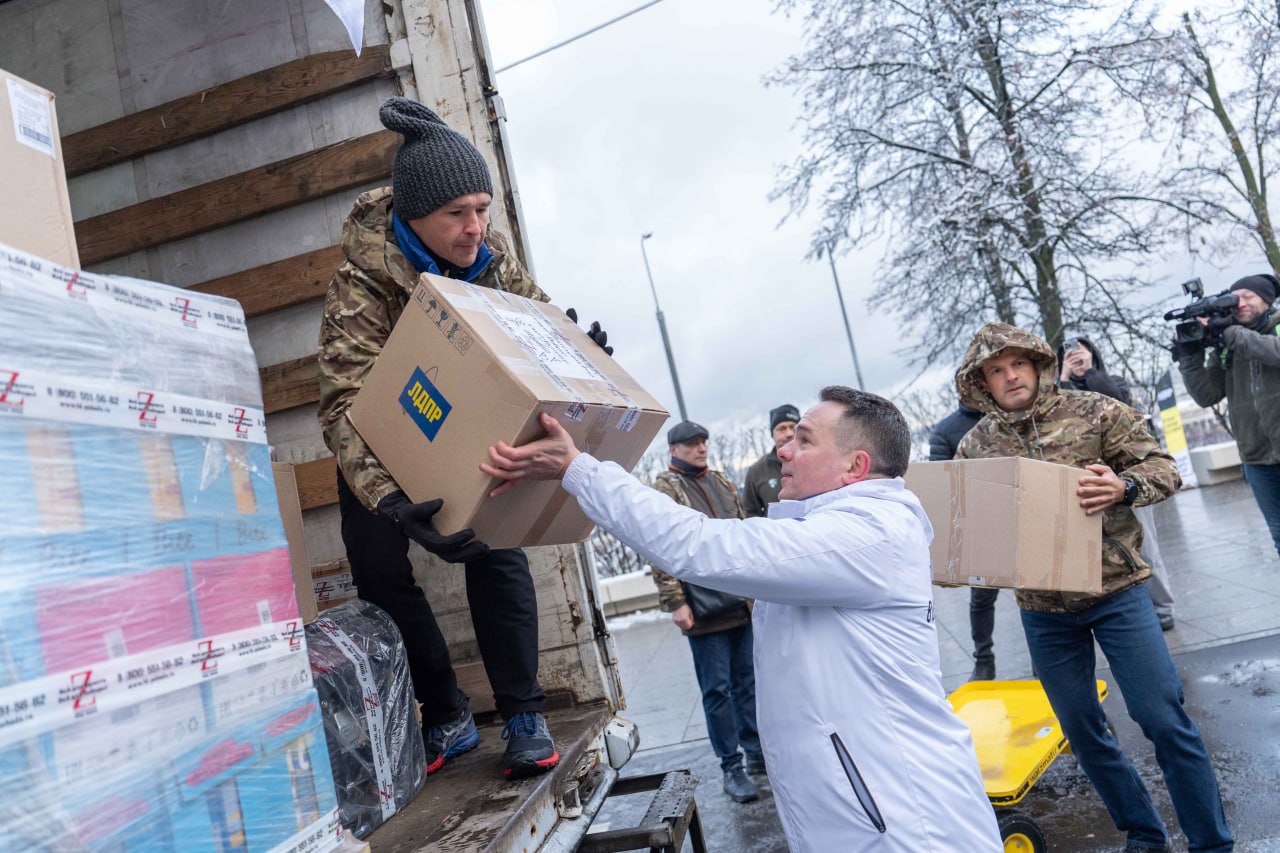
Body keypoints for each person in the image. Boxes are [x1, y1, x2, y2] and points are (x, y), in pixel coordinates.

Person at [481, 388, 1002, 851]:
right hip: (865, 807)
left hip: (904, 822)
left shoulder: (868, 534)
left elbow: (704, 547)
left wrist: (581, 470)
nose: (782, 451)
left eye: (803, 440)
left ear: (854, 467)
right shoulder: (844, 527)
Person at [317, 97, 608, 780]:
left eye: (482, 208)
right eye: (458, 214)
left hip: (467, 431)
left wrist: (581, 355)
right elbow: (342, 404)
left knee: (495, 540)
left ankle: (522, 714)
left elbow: (543, 328)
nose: (476, 227)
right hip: (383, 441)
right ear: (414, 214)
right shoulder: (361, 282)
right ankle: (444, 710)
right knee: (377, 562)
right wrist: (390, 500)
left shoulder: (491, 262)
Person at [957, 323, 1233, 853]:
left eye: (1018, 363)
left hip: (1117, 592)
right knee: (1082, 733)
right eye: (996, 370)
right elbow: (969, 522)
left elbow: (1163, 468)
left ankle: (1211, 843)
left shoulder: (1095, 412)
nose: (1010, 376)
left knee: (1163, 720)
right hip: (1042, 610)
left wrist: (1124, 486)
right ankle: (1146, 835)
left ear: (1037, 364)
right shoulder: (976, 446)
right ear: (981, 383)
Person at [649, 420, 763, 804]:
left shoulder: (720, 480)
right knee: (717, 690)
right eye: (692, 444)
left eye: (703, 442)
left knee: (747, 683)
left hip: (738, 602)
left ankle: (758, 754)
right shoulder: (666, 487)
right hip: (702, 609)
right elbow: (659, 546)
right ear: (674, 450)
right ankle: (732, 767)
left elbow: (744, 532)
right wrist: (675, 601)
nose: (701, 448)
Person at [1057, 336, 1177, 630]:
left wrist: (1090, 373)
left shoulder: (1115, 382)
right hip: (1083, 487)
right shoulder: (1059, 393)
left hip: (1126, 481)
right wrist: (1063, 377)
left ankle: (1162, 610)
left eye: (1080, 351)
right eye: (1067, 354)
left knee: (1145, 547)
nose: (1074, 356)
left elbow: (1119, 403)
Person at [1177, 274, 1280, 559]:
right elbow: (1207, 395)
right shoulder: (1228, 343)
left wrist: (1230, 334)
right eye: (1235, 298)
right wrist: (1189, 355)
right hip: (1257, 458)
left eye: (1248, 296)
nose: (1240, 303)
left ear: (1267, 299)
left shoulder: (1272, 327)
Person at [926, 402, 996, 680]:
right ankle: (984, 660)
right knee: (981, 598)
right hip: (980, 527)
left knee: (1036, 599)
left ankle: (1043, 664)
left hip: (1022, 518)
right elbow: (940, 480)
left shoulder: (1009, 417)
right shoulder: (946, 430)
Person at [742, 404, 800, 517]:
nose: (789, 434)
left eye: (794, 427)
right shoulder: (756, 471)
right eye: (781, 429)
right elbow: (751, 514)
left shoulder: (818, 462)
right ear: (772, 434)